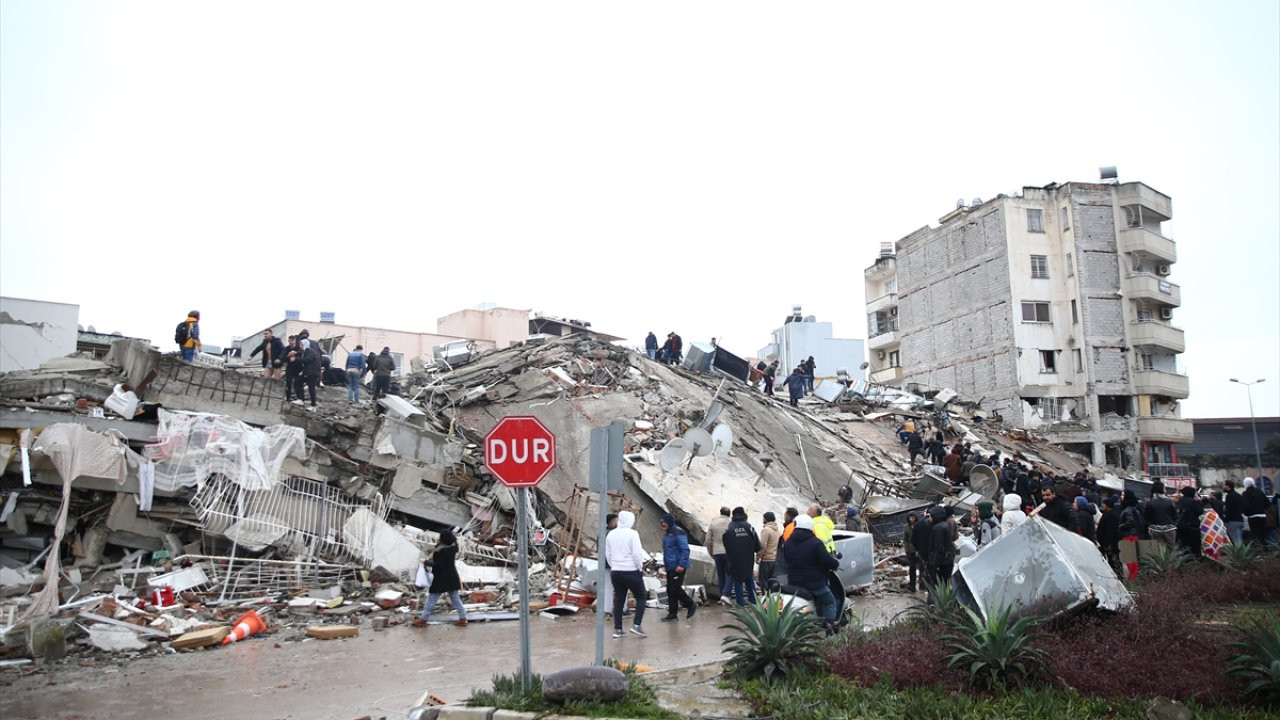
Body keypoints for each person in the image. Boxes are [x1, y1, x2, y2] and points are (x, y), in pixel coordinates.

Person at [781, 514, 839, 629]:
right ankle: (829, 628)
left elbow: (786, 562)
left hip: (793, 582)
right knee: (830, 602)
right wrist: (835, 564)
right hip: (814, 583)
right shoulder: (815, 543)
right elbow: (827, 560)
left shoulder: (787, 543)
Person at [604, 510, 649, 638]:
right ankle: (637, 625)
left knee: (618, 599)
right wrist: (639, 567)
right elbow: (637, 554)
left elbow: (608, 554)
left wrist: (614, 566)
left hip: (616, 571)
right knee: (641, 596)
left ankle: (617, 629)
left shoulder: (611, 535)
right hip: (631, 571)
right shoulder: (633, 534)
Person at [412, 528, 468, 628]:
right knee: (455, 598)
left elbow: (438, 565)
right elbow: (450, 543)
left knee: (432, 598)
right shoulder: (453, 547)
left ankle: (423, 619)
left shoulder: (441, 550)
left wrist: (426, 562)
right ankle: (463, 618)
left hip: (441, 578)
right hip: (452, 576)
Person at [659, 514, 696, 622]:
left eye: (664, 522)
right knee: (670, 590)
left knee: (675, 588)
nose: (662, 524)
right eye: (661, 522)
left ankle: (690, 604)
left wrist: (681, 564)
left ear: (669, 522)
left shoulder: (678, 532)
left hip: (678, 566)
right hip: (670, 566)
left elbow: (685, 550)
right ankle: (672, 614)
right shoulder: (668, 534)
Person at [722, 507, 761, 606]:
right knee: (749, 577)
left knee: (737, 579)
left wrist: (730, 554)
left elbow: (725, 542)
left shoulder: (730, 528)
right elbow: (757, 544)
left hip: (735, 558)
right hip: (748, 558)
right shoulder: (749, 527)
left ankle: (740, 602)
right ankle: (753, 600)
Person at [927, 506, 956, 599]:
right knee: (944, 585)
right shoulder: (944, 525)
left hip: (942, 563)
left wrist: (935, 564)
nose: (930, 518)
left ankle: (932, 607)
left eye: (931, 516)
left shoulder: (938, 528)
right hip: (947, 561)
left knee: (936, 586)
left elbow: (939, 548)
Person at [706, 507, 732, 604]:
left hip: (717, 552)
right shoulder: (731, 523)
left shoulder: (713, 523)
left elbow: (708, 540)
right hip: (729, 552)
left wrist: (711, 552)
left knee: (721, 575)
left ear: (720, 512)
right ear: (729, 514)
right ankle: (726, 595)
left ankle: (722, 596)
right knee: (730, 573)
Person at [1144, 483, 1178, 548]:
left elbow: (1146, 516)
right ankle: (1170, 558)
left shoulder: (1150, 502)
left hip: (1155, 529)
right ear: (1163, 489)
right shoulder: (1169, 501)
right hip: (1169, 528)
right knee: (1171, 548)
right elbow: (1175, 515)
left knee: (1158, 550)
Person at [1175, 486, 1203, 557]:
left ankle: (1186, 559)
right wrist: (1199, 501)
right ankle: (1196, 560)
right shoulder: (1192, 501)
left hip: (1181, 526)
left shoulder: (1180, 500)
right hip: (1192, 526)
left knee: (1184, 545)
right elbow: (1200, 511)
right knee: (1195, 545)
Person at [1097, 496, 1122, 575]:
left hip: (1109, 544)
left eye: (1104, 504)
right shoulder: (1107, 514)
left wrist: (1106, 543)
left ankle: (1117, 574)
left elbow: (1110, 531)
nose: (1102, 506)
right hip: (1105, 543)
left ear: (1107, 505)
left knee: (1112, 560)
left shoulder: (1111, 516)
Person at [757, 511, 781, 591]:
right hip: (775, 559)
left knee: (763, 583)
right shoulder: (777, 530)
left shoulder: (766, 530)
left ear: (765, 519)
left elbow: (763, 546)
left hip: (766, 560)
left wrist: (758, 557)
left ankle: (765, 601)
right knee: (772, 582)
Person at [1242, 477, 1269, 544]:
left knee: (1256, 535)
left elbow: (1245, 506)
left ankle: (1258, 550)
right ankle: (1265, 548)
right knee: (1263, 534)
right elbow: (1267, 504)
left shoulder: (1246, 493)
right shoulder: (1260, 492)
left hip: (1253, 517)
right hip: (1263, 516)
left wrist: (1246, 513)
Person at [298, 338, 322, 408]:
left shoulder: (309, 351)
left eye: (301, 345)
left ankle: (313, 406)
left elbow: (307, 360)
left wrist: (296, 359)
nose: (300, 346)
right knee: (298, 381)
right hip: (308, 372)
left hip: (312, 373)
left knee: (311, 388)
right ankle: (301, 400)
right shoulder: (305, 352)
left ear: (304, 345)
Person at [902, 512, 922, 593]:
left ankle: (922, 584)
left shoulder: (919, 526)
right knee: (912, 567)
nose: (911, 519)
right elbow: (905, 539)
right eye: (910, 518)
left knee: (922, 567)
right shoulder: (907, 527)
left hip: (919, 550)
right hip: (911, 551)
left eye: (912, 518)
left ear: (915, 518)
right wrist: (907, 549)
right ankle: (912, 585)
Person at [1222, 480, 1246, 545]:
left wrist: (1225, 520)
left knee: (1236, 542)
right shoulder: (1239, 495)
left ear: (1227, 486)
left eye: (1224, 485)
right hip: (1240, 520)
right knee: (1239, 540)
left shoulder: (1229, 496)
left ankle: (1240, 555)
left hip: (1233, 521)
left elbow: (1229, 510)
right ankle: (1244, 554)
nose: (1223, 487)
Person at [282, 336, 302, 402]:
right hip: (290, 368)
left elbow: (303, 356)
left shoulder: (299, 348)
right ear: (288, 341)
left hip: (299, 368)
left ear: (295, 341)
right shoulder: (286, 349)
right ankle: (288, 398)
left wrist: (295, 355)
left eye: (292, 340)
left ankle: (300, 398)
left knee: (298, 383)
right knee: (288, 383)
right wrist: (288, 356)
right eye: (290, 340)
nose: (291, 342)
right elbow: (283, 358)